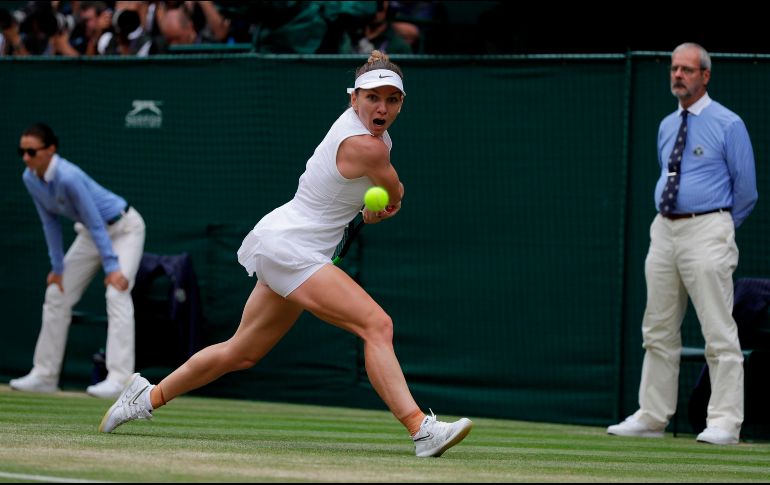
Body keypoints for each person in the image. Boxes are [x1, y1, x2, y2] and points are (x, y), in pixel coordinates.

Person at [99, 50, 473, 458]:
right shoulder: (370, 148)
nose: (382, 107)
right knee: (376, 325)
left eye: (392, 99)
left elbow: (377, 198)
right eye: (372, 97)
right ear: (354, 99)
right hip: (293, 247)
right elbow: (396, 194)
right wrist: (380, 207)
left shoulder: (370, 135)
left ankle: (144, 396)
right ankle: (421, 429)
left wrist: (371, 207)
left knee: (241, 351)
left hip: (286, 241)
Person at [607, 43, 758, 445]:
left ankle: (725, 422)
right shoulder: (666, 125)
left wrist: (719, 226)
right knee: (656, 327)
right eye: (674, 68)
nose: (678, 75)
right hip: (664, 230)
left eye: (687, 70)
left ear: (705, 76)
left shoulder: (728, 123)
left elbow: (746, 190)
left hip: (708, 228)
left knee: (719, 329)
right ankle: (652, 416)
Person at [10, 123, 146, 399]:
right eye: (21, 151)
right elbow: (49, 222)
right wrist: (57, 268)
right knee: (56, 293)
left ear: (50, 150)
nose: (26, 157)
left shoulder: (68, 176)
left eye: (31, 151)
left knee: (116, 292)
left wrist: (112, 267)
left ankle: (120, 379)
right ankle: (44, 375)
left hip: (123, 228)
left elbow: (96, 222)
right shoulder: (30, 178)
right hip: (90, 235)